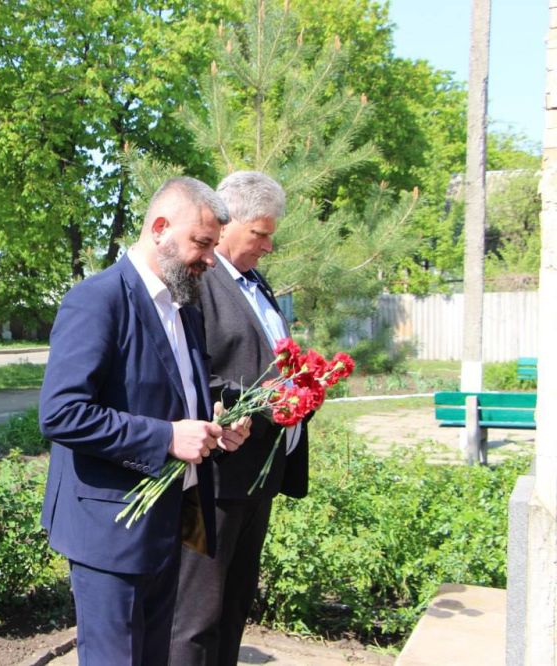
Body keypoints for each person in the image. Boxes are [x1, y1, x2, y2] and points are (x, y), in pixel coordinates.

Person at [39, 176, 251, 665]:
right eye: (201, 243)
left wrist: (216, 424)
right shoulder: (99, 299)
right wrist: (167, 438)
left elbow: (178, 397)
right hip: (111, 526)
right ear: (159, 228)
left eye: (214, 246)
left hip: (170, 522)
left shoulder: (186, 308)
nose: (210, 259)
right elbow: (61, 413)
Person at [169, 171, 310, 666]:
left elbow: (266, 358)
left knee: (233, 607)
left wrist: (303, 386)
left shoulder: (256, 282)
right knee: (195, 614)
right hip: (213, 476)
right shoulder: (198, 282)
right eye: (261, 233)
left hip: (257, 477)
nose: (270, 245)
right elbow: (179, 371)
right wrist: (245, 398)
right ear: (227, 224)